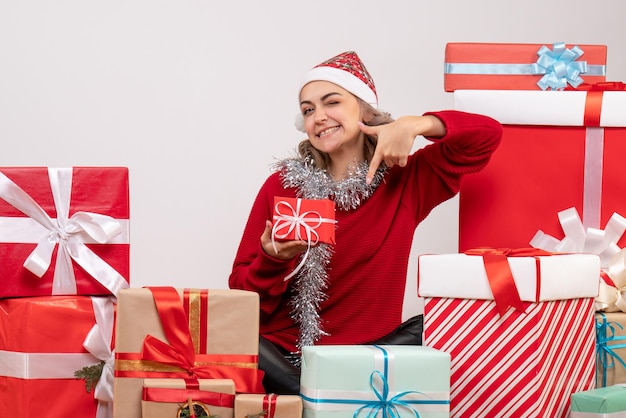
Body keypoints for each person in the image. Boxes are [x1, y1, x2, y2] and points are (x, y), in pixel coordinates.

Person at [229, 51, 502, 394]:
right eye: (308, 110)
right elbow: (240, 298)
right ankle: (325, 392)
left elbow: (487, 136)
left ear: (365, 109)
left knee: (437, 326)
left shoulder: (407, 177)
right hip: (285, 356)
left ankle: (323, 392)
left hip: (370, 352)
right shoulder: (283, 185)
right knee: (237, 343)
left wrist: (416, 124)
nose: (319, 117)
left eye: (332, 102)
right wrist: (274, 260)